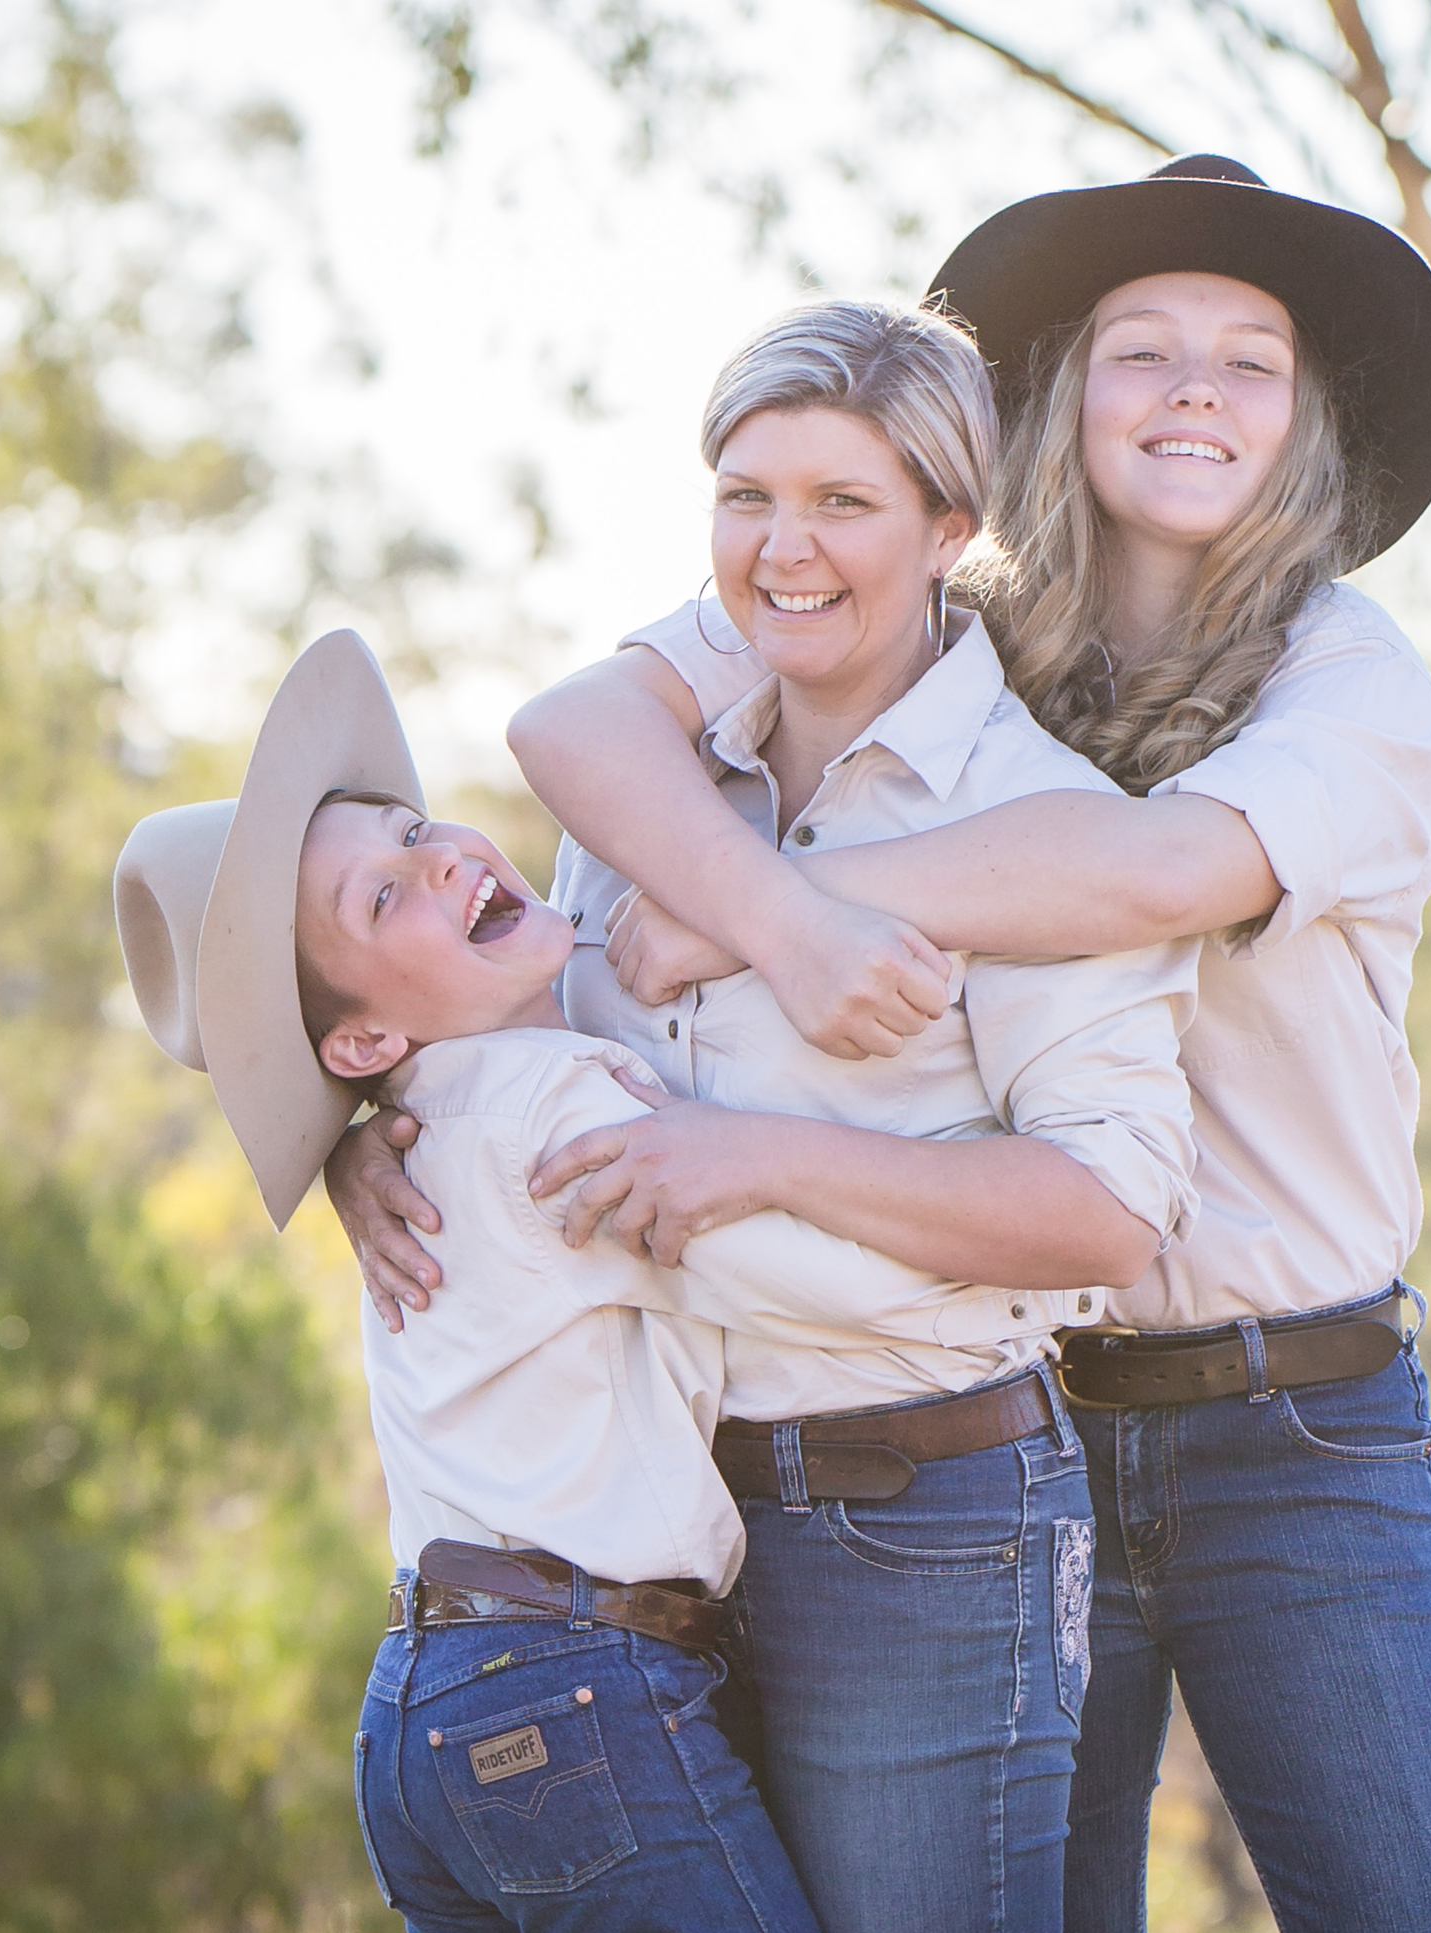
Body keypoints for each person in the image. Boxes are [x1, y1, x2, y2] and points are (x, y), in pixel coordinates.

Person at [475, 159, 1431, 1930]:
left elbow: (1161, 867)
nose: (1193, 388)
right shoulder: (941, 631)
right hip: (1000, 1435)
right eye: (1141, 349)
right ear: (1048, 396)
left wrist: (762, 905)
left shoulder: (1350, 683)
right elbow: (580, 725)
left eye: (1247, 360)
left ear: (1307, 419)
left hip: (1290, 1423)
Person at [330, 299, 1204, 1933]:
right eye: (748, 497)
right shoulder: (650, 789)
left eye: (843, 504)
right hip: (649, 1571)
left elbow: (1105, 1215)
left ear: (953, 527)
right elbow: (503, 1043)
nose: (784, 551)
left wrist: (766, 1156)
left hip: (920, 1528)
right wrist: (360, 1139)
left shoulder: (1040, 830)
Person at [115, 630, 1047, 1931]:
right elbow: (798, 1290)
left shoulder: (434, 1119)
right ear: (366, 1037)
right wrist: (1045, 1264)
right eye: (383, 900)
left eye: (408, 832)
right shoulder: (558, 1110)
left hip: (428, 1711)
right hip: (569, 1696)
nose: (435, 859)